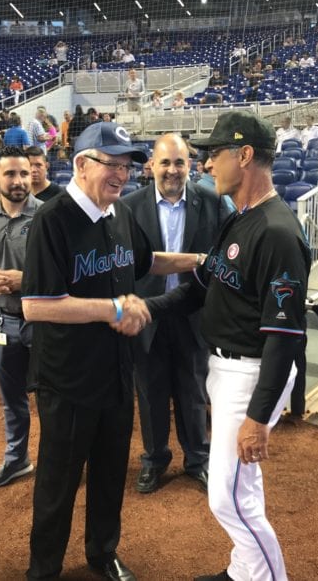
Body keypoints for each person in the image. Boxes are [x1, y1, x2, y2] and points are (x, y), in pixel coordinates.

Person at [20, 122, 203, 581]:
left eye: (128, 166)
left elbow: (149, 261)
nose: (123, 175)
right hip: (69, 380)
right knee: (59, 483)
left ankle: (102, 553)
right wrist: (112, 307)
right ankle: (44, 569)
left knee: (108, 473)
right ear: (81, 164)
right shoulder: (52, 220)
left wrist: (201, 261)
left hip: (118, 372)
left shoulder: (119, 215)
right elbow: (37, 306)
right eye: (113, 165)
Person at [144, 111, 311, 581]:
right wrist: (147, 308)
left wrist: (258, 420)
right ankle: (244, 571)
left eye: (214, 154)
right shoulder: (239, 219)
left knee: (229, 497)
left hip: (252, 373)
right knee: (240, 490)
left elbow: (284, 337)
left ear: (244, 155)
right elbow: (200, 285)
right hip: (225, 370)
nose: (206, 165)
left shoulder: (277, 232)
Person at [123, 133, 229, 495]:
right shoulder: (129, 206)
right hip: (148, 317)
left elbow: (226, 255)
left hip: (193, 315)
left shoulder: (213, 202)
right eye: (165, 162)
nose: (172, 170)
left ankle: (197, 459)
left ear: (190, 165)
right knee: (150, 391)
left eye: (179, 162)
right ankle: (154, 459)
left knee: (193, 390)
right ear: (151, 164)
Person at [0, 146, 43, 490]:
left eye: (24, 173)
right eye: (10, 174)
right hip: (1, 321)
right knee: (12, 400)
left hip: (44, 321)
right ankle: (16, 460)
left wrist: (23, 280)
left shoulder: (49, 216)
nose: (19, 180)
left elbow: (66, 273)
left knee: (53, 399)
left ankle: (57, 464)